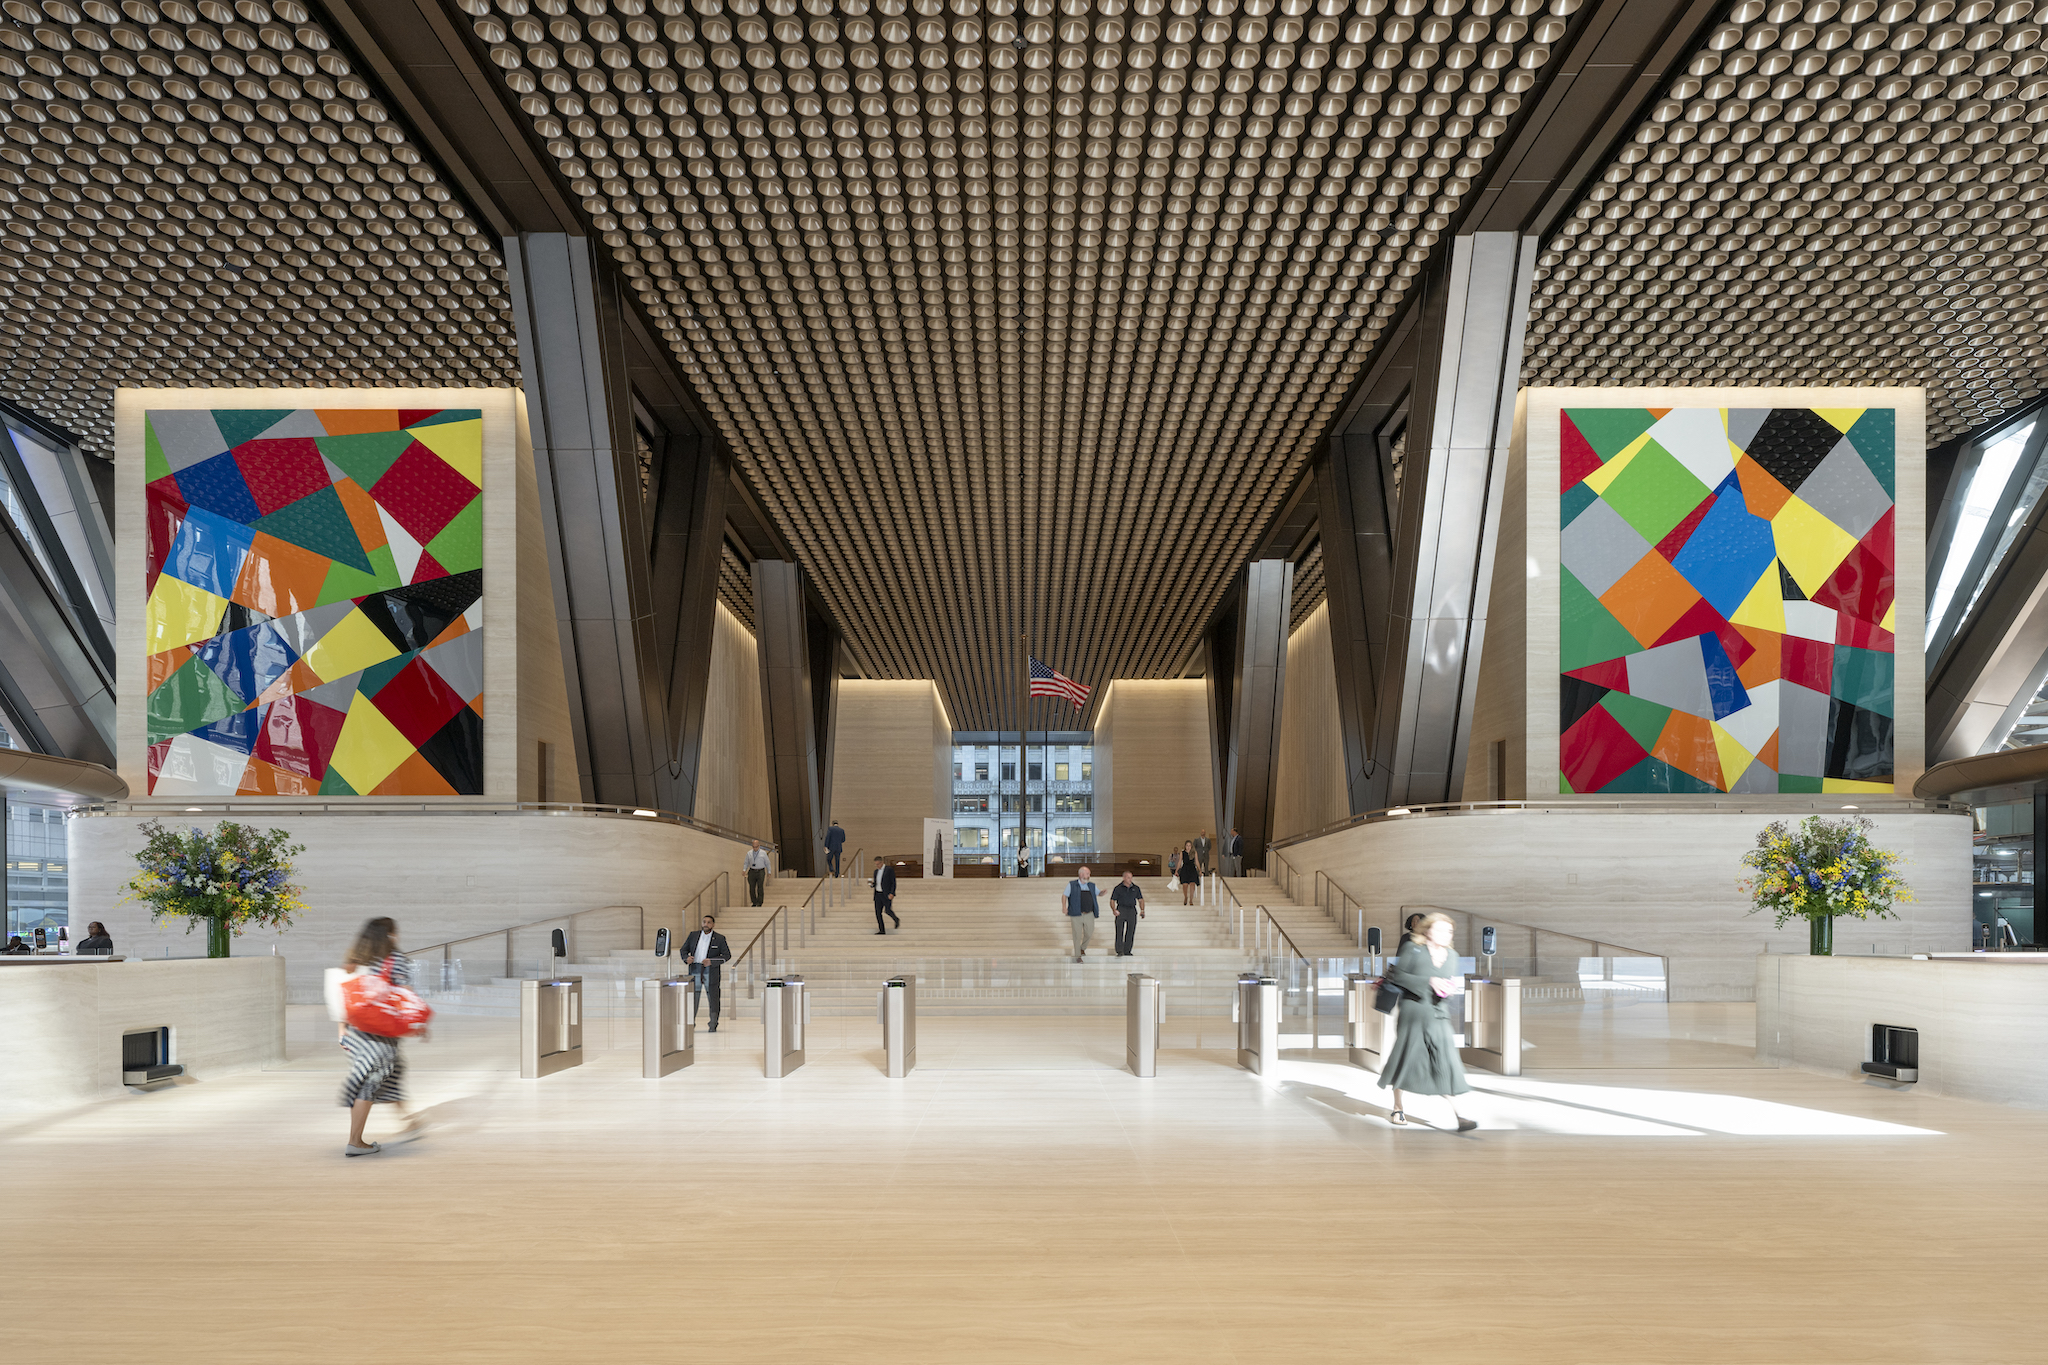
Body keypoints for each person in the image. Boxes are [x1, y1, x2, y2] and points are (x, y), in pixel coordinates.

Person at [1378, 912, 1477, 1131]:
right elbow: (1399, 976)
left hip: (1438, 1014)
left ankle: (1460, 1115)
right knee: (1407, 1057)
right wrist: (1429, 980)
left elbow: (1447, 984)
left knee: (1445, 1060)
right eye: (1440, 929)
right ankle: (1397, 1106)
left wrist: (1448, 990)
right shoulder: (1412, 949)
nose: (1445, 934)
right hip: (1413, 1013)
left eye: (1449, 931)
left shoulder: (1452, 955)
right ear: (1428, 930)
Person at [336, 917, 426, 1157]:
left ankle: (410, 1122)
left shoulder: (356, 958)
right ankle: (355, 1141)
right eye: (395, 933)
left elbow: (344, 993)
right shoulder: (395, 959)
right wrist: (420, 1021)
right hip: (380, 1035)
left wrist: (342, 1030)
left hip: (357, 1032)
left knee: (393, 1073)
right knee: (372, 1082)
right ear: (389, 936)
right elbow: (404, 993)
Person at [679, 912, 731, 1033]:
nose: (706, 924)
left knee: (713, 998)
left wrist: (712, 961)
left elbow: (727, 955)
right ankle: (690, 1024)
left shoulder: (719, 938)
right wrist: (686, 958)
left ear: (713, 924)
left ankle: (713, 1024)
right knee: (693, 997)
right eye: (704, 922)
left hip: (711, 971)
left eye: (708, 922)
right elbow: (683, 949)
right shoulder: (693, 935)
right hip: (695, 969)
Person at [1060, 866, 1102, 962]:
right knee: (1077, 935)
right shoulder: (1072, 884)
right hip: (1076, 914)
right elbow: (1064, 895)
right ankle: (1078, 955)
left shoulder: (1091, 885)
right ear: (1081, 874)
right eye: (1087, 874)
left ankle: (1082, 947)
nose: (1089, 876)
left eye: (1089, 874)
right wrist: (1064, 907)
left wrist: (1102, 893)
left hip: (1089, 913)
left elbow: (1098, 893)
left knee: (1089, 932)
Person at [1108, 870, 1145, 956]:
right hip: (1121, 909)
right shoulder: (1118, 888)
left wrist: (1142, 910)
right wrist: (1114, 909)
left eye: (1131, 877)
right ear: (1124, 878)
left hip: (1132, 910)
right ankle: (1119, 950)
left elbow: (1141, 899)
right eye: (1128, 877)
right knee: (1119, 930)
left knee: (1131, 931)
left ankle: (1127, 950)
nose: (1130, 879)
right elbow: (1112, 900)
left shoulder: (1136, 888)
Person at [872, 856, 900, 934]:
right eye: (876, 864)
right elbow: (876, 883)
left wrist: (892, 893)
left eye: (878, 864)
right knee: (878, 913)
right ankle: (882, 930)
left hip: (886, 894)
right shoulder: (876, 872)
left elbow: (893, 882)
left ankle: (896, 919)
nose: (877, 866)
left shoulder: (889, 870)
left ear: (882, 862)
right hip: (877, 894)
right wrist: (872, 884)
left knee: (887, 910)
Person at [744, 840, 771, 907]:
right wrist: (744, 870)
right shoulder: (749, 853)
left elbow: (767, 863)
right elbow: (746, 862)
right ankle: (754, 902)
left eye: (756, 847)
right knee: (752, 887)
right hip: (752, 871)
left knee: (760, 887)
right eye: (753, 847)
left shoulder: (763, 853)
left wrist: (769, 872)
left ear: (759, 846)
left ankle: (760, 902)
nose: (755, 848)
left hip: (760, 871)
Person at [1177, 840, 1201, 905]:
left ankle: (1191, 899)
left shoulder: (1194, 853)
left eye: (1189, 846)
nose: (1188, 847)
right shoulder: (1182, 853)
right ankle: (1185, 897)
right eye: (1187, 845)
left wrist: (1200, 870)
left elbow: (1197, 861)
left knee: (1192, 884)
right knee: (1185, 885)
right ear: (1185, 846)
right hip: (1185, 869)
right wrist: (1176, 871)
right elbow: (1179, 862)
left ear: (1191, 846)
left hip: (1192, 869)